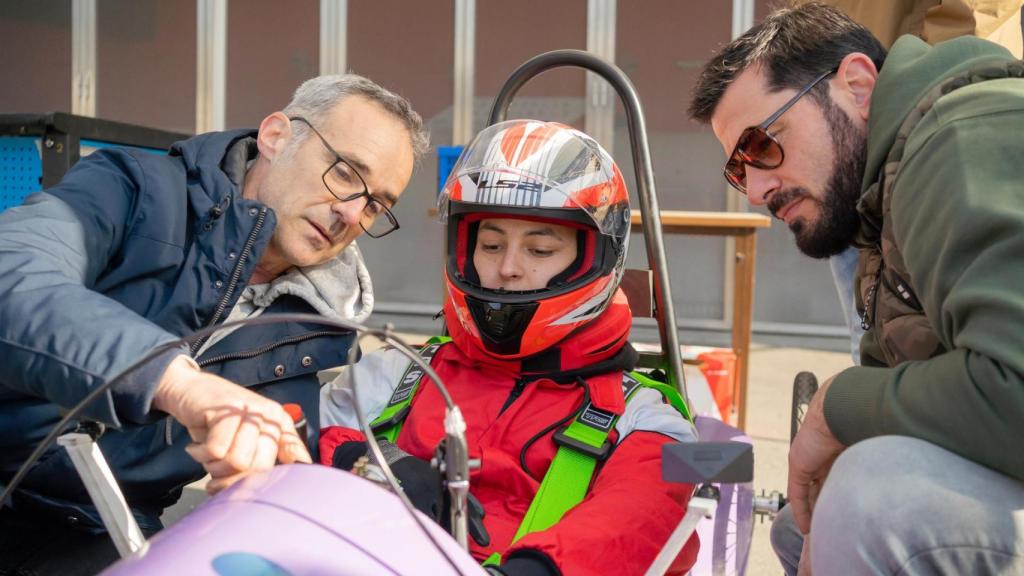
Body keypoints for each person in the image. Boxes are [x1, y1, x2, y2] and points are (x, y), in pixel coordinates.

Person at [0, 74, 428, 575]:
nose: (351, 213)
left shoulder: (318, 329)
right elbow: (13, 273)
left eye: (376, 204)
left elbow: (279, 469)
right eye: (345, 173)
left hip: (109, 530)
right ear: (276, 135)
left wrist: (266, 491)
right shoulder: (132, 188)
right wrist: (177, 382)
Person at [689, 3, 1024, 574]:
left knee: (870, 501)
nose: (755, 190)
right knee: (805, 519)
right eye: (738, 170)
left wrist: (836, 408)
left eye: (763, 144)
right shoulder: (880, 195)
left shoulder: (956, 139)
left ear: (857, 84)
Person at [319, 119, 700, 576]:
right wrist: (366, 460)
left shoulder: (649, 417)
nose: (508, 269)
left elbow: (645, 510)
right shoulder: (395, 373)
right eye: (492, 244)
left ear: (595, 259)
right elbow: (289, 439)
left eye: (540, 251)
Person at [798, 0, 1024, 365]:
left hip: (926, 118)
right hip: (857, 125)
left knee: (959, 352)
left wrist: (915, 77)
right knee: (876, 343)